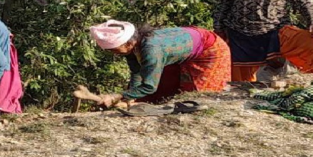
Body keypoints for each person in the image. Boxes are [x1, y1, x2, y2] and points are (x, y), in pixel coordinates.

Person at [74, 20, 231, 108]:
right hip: (184, 47)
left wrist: (118, 95)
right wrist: (130, 97)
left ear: (128, 43)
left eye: (114, 49)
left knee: (195, 95)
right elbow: (136, 72)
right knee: (164, 87)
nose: (113, 53)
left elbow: (149, 86)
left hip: (209, 50)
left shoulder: (151, 49)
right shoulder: (132, 47)